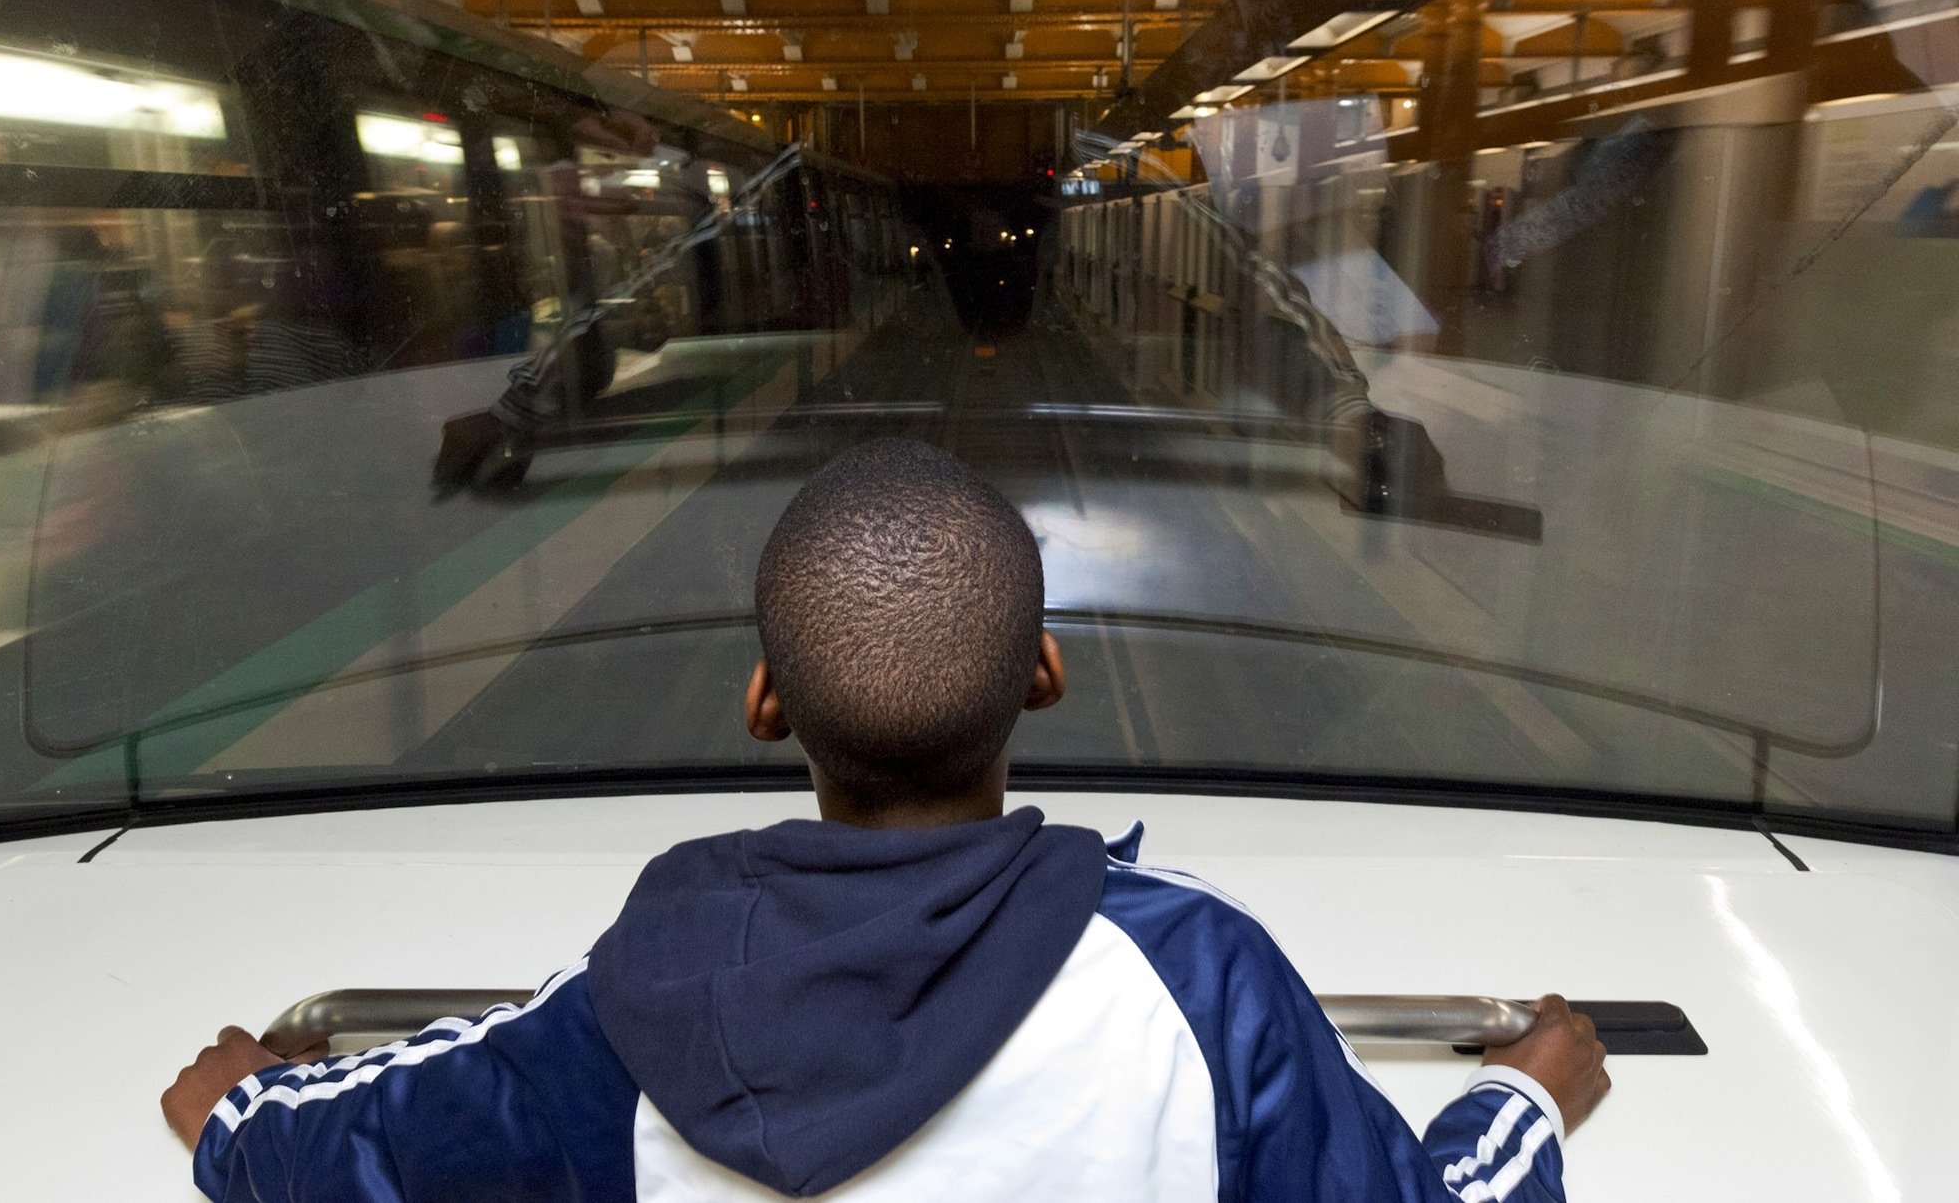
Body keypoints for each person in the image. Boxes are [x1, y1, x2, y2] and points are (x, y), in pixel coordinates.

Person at [163, 438, 1609, 1202]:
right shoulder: (1202, 984)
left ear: (764, 703)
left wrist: (233, 1107)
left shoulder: (624, 1013)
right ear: (1044, 677)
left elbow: (355, 1155)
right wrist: (1528, 1098)